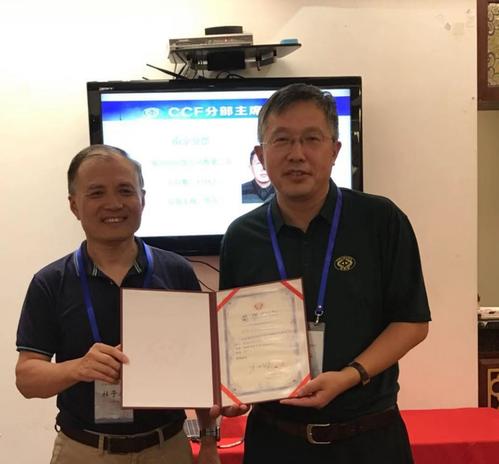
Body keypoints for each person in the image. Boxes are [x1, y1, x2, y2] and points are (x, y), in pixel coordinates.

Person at [219, 84, 431, 463]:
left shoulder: (380, 220)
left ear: (334, 150)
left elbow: (412, 322)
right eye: (282, 140)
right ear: (261, 155)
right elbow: (232, 336)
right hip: (275, 442)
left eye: (311, 139)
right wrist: (235, 390)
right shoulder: (241, 237)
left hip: (369, 439)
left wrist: (349, 376)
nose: (296, 154)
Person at [15, 145, 219, 464]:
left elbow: (200, 369)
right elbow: (27, 379)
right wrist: (78, 368)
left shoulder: (176, 271)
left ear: (142, 199)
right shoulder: (51, 282)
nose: (114, 203)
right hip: (84, 451)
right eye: (97, 193)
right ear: (74, 205)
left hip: (167, 449)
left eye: (125, 190)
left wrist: (208, 442)